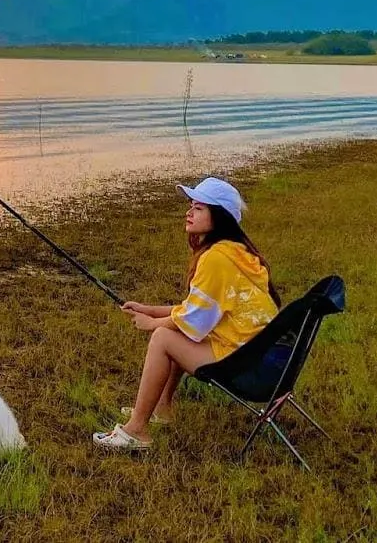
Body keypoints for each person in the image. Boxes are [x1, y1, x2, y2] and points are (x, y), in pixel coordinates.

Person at [92, 176, 281, 451]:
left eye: (199, 208)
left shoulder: (216, 259)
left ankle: (136, 431)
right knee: (172, 331)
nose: (189, 212)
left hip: (244, 364)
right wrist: (150, 309)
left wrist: (152, 322)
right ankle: (162, 410)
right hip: (255, 354)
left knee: (162, 338)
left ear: (219, 217)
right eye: (191, 205)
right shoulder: (237, 252)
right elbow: (198, 310)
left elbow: (192, 321)